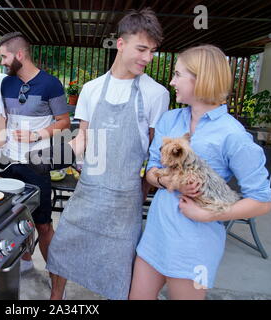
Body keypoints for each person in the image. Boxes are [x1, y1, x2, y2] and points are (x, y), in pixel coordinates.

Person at [129, 44, 271, 300]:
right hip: (156, 234)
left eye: (178, 74)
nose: (171, 81)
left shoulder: (233, 135)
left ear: (201, 79)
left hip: (195, 245)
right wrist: (168, 180)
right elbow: (150, 171)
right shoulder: (169, 120)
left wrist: (206, 214)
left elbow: (262, 201)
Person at [45, 8, 169, 300]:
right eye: (142, 49)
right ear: (121, 44)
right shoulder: (92, 89)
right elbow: (83, 138)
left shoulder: (156, 94)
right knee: (63, 247)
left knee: (119, 268)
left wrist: (141, 191)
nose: (148, 58)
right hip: (88, 190)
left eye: (152, 51)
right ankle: (55, 300)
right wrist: (54, 156)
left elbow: (153, 153)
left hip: (125, 198)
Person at [0, 32, 71, 273]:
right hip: (8, 163)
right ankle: (25, 261)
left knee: (43, 225)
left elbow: (64, 122)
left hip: (37, 165)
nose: (2, 62)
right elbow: (3, 119)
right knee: (12, 220)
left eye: (4, 57)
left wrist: (36, 135)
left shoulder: (50, 83)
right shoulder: (6, 83)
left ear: (19, 55)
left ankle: (55, 277)